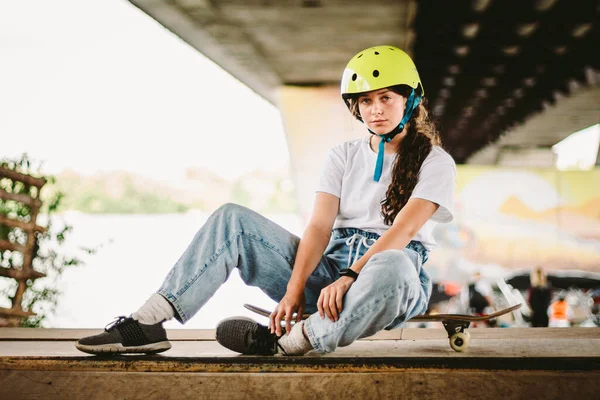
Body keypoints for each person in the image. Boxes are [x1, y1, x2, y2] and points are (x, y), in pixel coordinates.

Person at [75, 45, 456, 356]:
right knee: (232, 218)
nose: (375, 109)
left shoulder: (436, 162)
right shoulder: (343, 155)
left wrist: (350, 276)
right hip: (327, 275)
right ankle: (148, 322)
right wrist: (294, 290)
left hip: (387, 279)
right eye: (366, 100)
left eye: (386, 98)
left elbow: (405, 230)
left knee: (393, 263)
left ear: (410, 99)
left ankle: (290, 343)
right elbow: (320, 227)